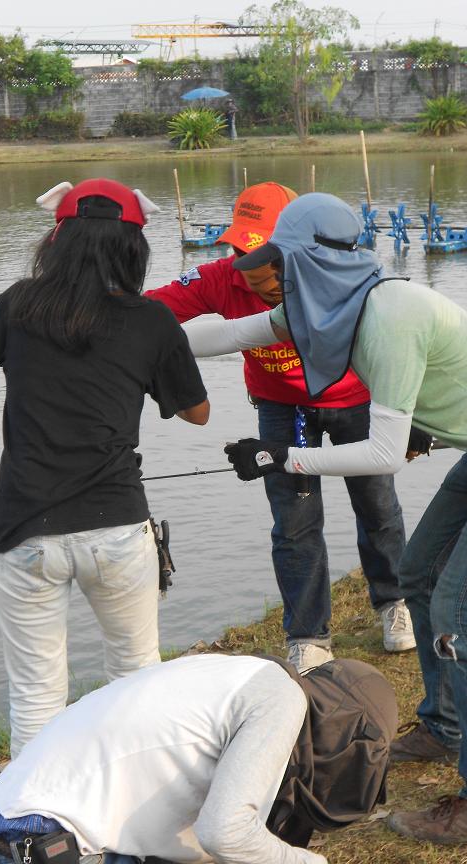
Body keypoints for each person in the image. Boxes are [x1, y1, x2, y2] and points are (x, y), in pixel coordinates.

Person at [185, 191, 467, 843]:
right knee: (417, 576)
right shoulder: (331, 309)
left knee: (455, 614)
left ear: (311, 259)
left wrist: (281, 457)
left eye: (281, 259)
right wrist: (138, 346)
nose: (270, 272)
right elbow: (229, 334)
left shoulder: (390, 314)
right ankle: (444, 726)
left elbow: (383, 454)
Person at [0, 178, 210, 758]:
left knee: (37, 693)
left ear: (56, 239)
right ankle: (132, 814)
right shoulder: (154, 321)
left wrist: (8, 336)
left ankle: (35, 829)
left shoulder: (19, 304)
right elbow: (197, 413)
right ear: (133, 248)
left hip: (24, 531)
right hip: (117, 527)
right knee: (135, 676)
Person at [145, 182, 411, 673]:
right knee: (294, 520)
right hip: (283, 408)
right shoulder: (220, 278)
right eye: (240, 248)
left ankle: (395, 602)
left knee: (376, 504)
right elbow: (150, 313)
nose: (249, 264)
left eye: (262, 251)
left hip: (354, 399)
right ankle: (308, 634)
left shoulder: (341, 278)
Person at [0, 652, 397, 864]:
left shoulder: (239, 674)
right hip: (50, 837)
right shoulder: (280, 701)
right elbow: (224, 833)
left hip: (3, 823)